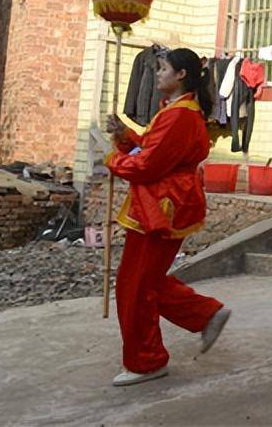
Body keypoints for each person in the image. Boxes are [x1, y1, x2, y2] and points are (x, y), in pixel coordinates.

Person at [104, 47, 230, 387]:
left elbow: (146, 164)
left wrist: (112, 161)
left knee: (136, 285)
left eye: (162, 68)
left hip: (161, 206)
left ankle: (147, 361)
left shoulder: (179, 116)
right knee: (146, 281)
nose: (157, 74)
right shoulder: (175, 112)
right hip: (161, 203)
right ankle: (206, 314)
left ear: (181, 75)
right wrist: (125, 136)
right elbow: (149, 147)